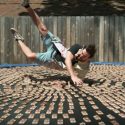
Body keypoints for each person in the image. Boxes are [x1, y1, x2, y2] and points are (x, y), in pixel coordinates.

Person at [10, 0, 96, 86]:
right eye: (82, 53)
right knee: (43, 28)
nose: (81, 55)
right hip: (56, 47)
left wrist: (74, 81)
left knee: (30, 56)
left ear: (88, 59)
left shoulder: (85, 67)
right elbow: (67, 60)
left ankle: (19, 39)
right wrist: (73, 76)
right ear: (82, 49)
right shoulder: (77, 47)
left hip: (52, 60)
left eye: (84, 57)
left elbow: (80, 79)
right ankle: (27, 6)